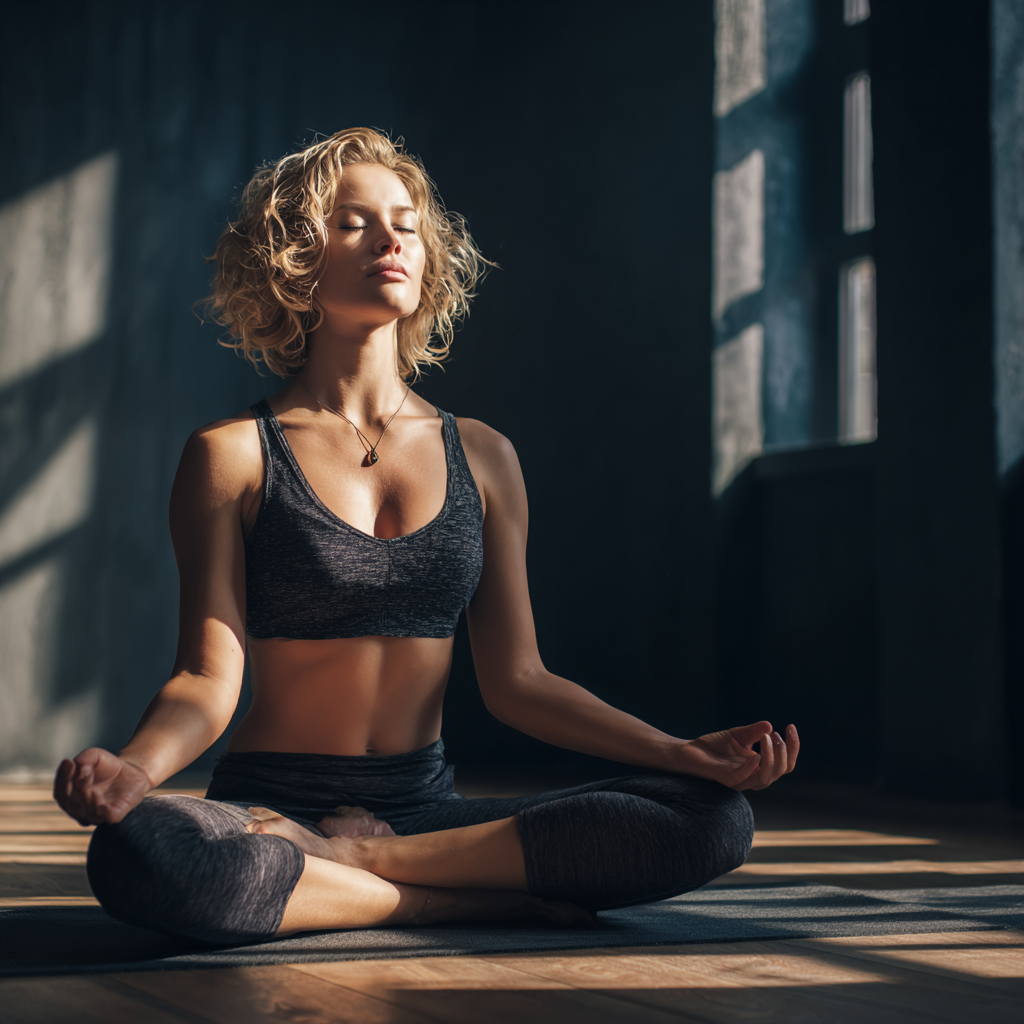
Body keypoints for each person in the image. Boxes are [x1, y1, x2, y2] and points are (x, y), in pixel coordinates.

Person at [53, 128, 799, 945]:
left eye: (406, 223)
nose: (391, 239)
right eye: (354, 223)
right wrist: (137, 769)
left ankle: (365, 868)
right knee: (143, 854)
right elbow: (207, 677)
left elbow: (520, 681)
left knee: (713, 818)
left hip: (427, 813)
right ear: (294, 259)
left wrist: (682, 753)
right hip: (273, 804)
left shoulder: (483, 455)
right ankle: (445, 900)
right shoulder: (231, 454)